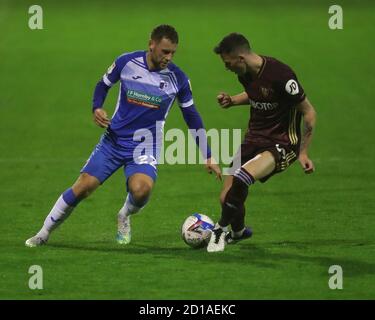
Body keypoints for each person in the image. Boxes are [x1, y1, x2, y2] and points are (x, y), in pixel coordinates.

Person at [26, 24, 221, 247]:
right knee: (82, 188)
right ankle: (43, 233)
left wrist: (208, 154)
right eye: (165, 51)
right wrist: (97, 107)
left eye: (173, 53)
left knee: (141, 190)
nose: (169, 57)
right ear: (151, 44)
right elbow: (103, 84)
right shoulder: (126, 62)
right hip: (114, 141)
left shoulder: (178, 79)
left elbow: (192, 116)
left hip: (145, 146)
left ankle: (124, 216)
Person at [207, 33, 316, 253]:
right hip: (254, 138)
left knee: (242, 178)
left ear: (241, 58)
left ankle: (218, 230)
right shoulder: (245, 73)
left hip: (281, 143)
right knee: (225, 198)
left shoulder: (282, 76)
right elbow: (255, 94)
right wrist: (233, 100)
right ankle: (237, 233)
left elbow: (309, 112)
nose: (227, 68)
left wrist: (303, 152)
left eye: (228, 63)